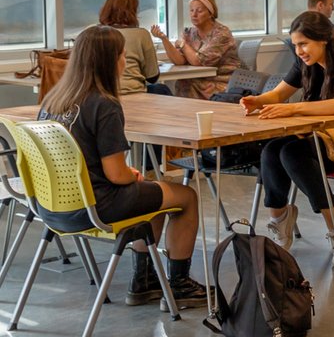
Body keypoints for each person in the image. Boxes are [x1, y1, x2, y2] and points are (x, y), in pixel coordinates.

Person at [36, 25, 208, 309]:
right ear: (109, 60)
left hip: (54, 208)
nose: (125, 60)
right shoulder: (104, 105)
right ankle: (178, 285)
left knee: (153, 195)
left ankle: (145, 282)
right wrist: (132, 175)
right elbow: (116, 174)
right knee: (185, 197)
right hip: (98, 205)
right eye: (122, 54)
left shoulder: (52, 101)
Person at [242, 12, 334, 267]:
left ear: (324, 40)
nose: (299, 51)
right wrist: (257, 101)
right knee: (271, 150)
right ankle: (280, 219)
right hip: (321, 135)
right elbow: (278, 94)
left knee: (293, 153)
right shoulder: (307, 61)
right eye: (296, 45)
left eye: (303, 44)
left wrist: (294, 108)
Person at [151, 0, 240, 99]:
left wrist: (183, 44)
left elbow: (199, 61)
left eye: (199, 11)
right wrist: (164, 39)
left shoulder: (221, 34)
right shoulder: (188, 33)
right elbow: (179, 61)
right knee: (180, 84)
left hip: (220, 82)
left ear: (210, 14)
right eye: (191, 11)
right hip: (196, 79)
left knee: (183, 85)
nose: (194, 15)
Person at [98, 0, 169, 96]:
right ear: (132, 12)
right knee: (162, 89)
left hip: (100, 93)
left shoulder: (91, 33)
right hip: (133, 91)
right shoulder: (141, 34)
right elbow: (152, 77)